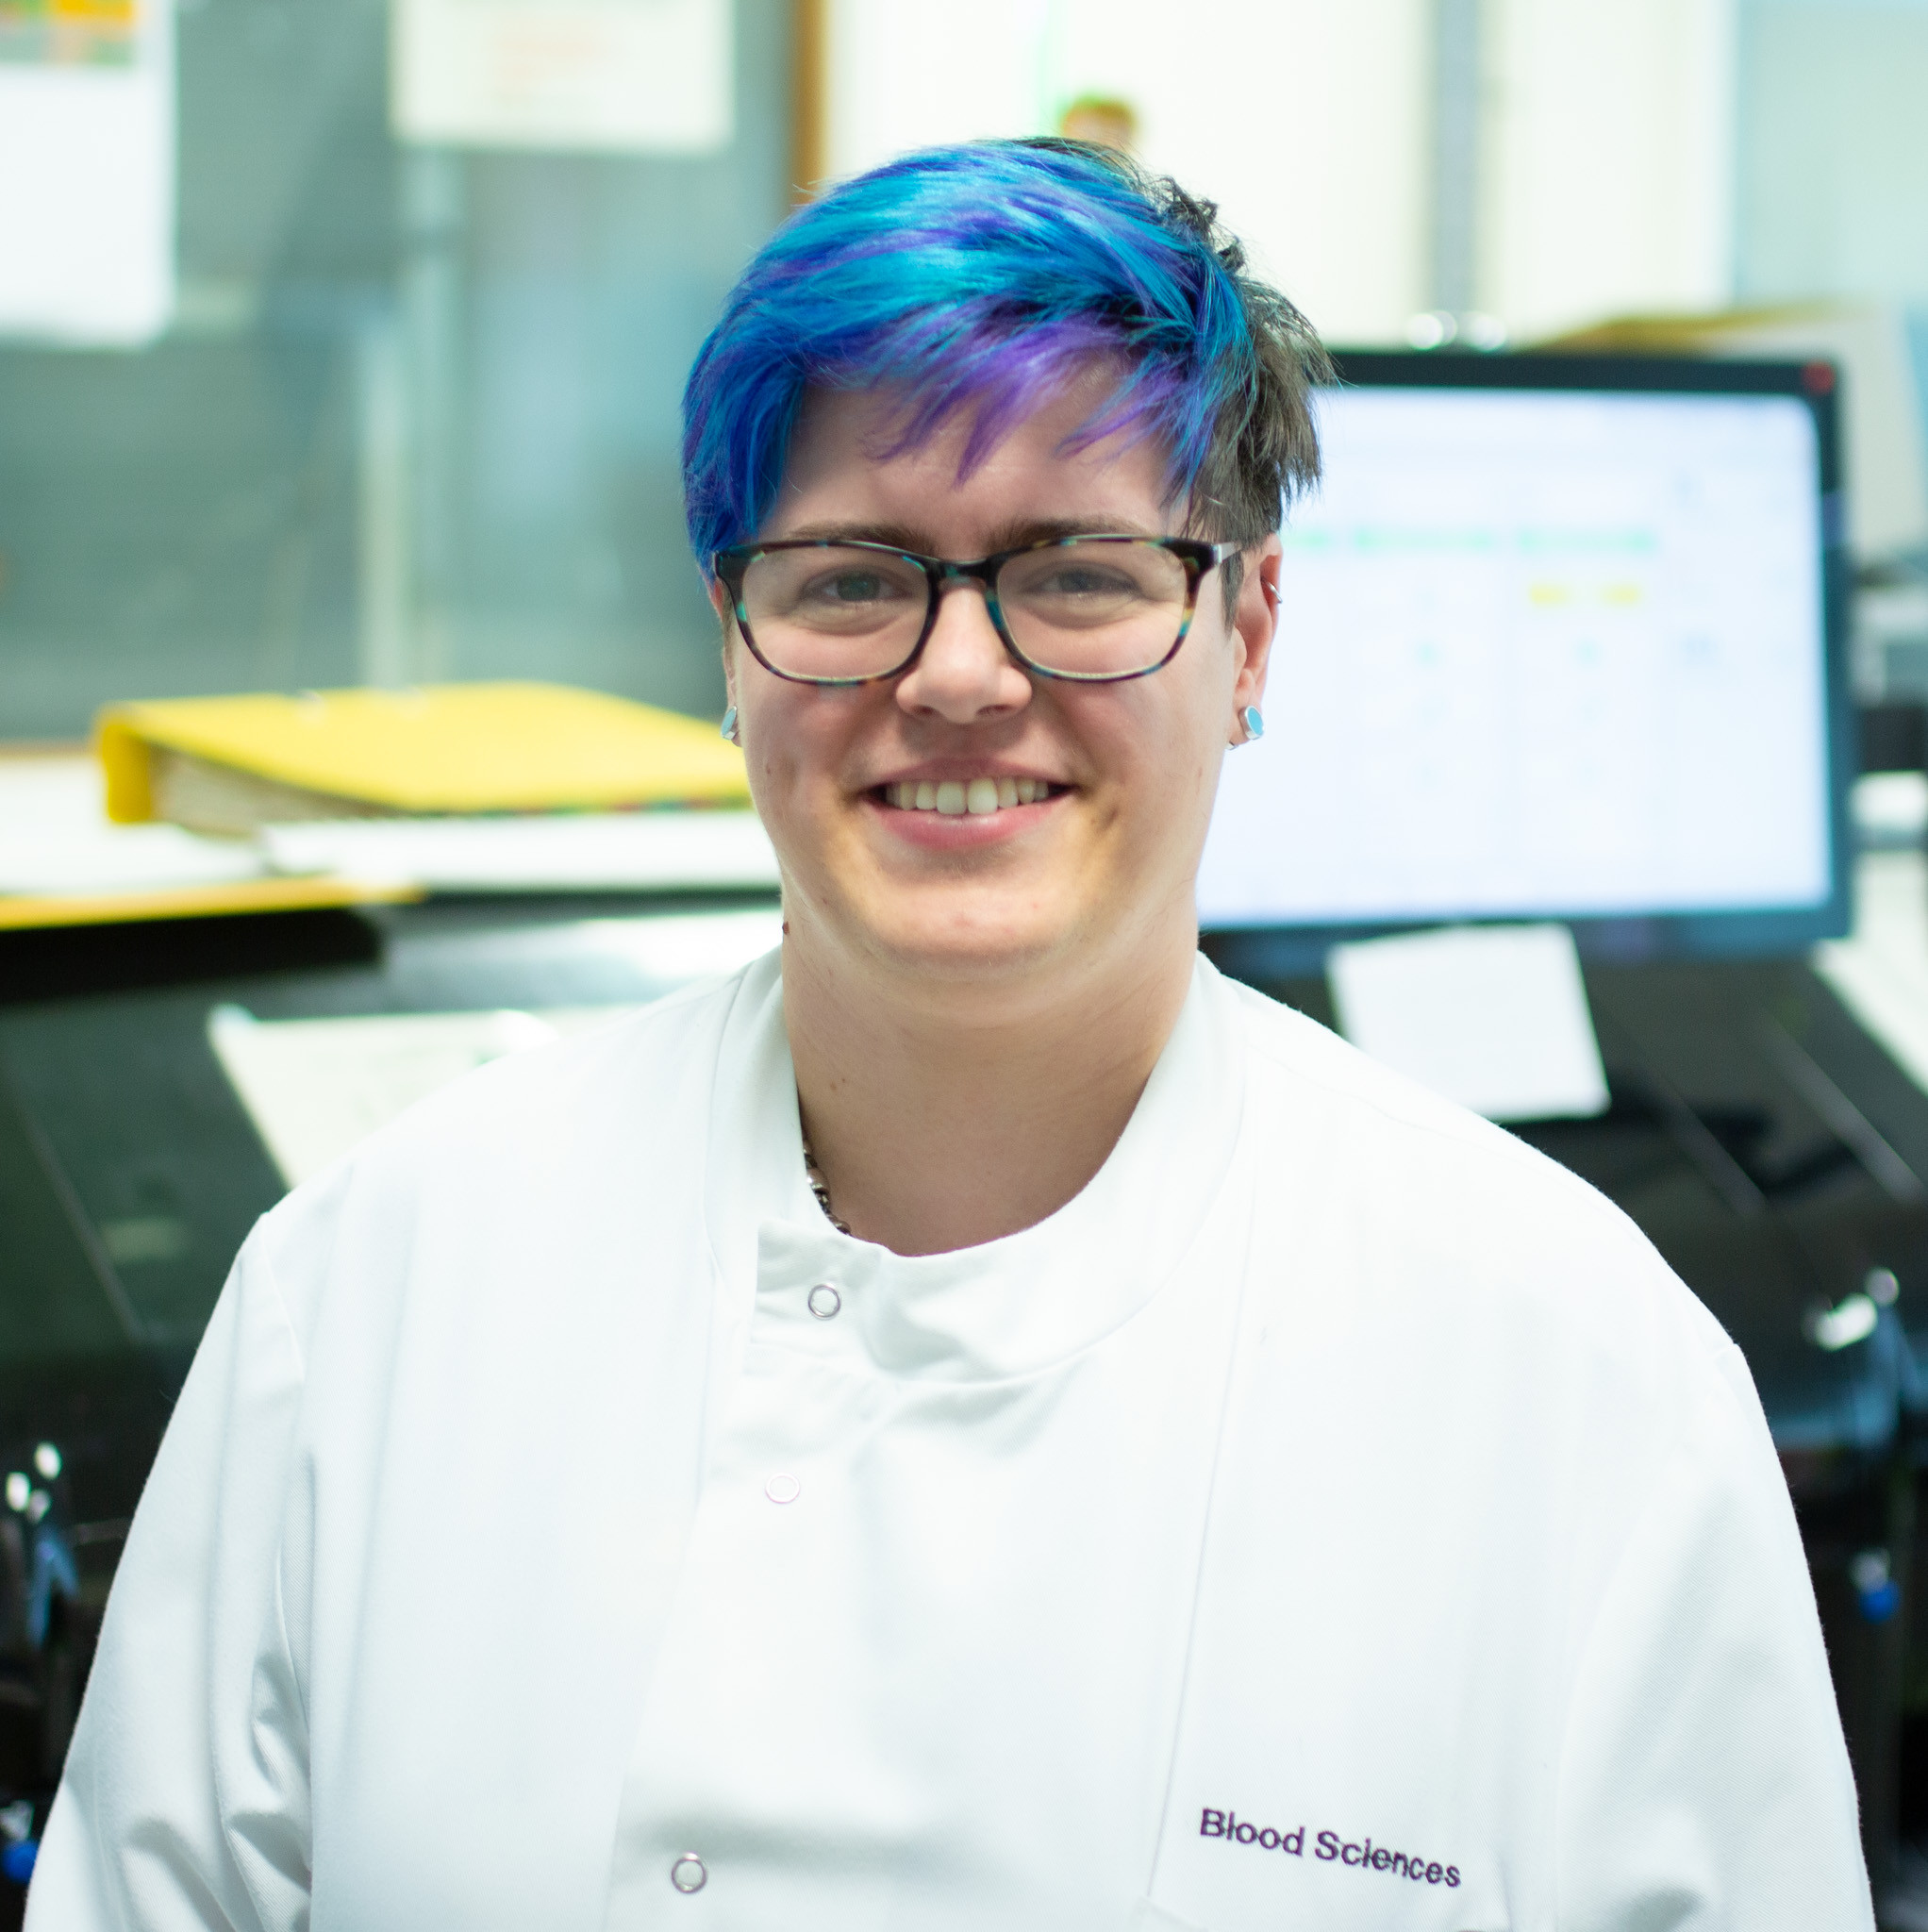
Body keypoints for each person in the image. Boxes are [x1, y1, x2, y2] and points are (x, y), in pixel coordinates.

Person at [29, 140, 1870, 1931]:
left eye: (1075, 570)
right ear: (729, 642)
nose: (961, 672)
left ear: (1247, 632)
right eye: (849, 576)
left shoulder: (1575, 1380)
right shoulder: (370, 1296)